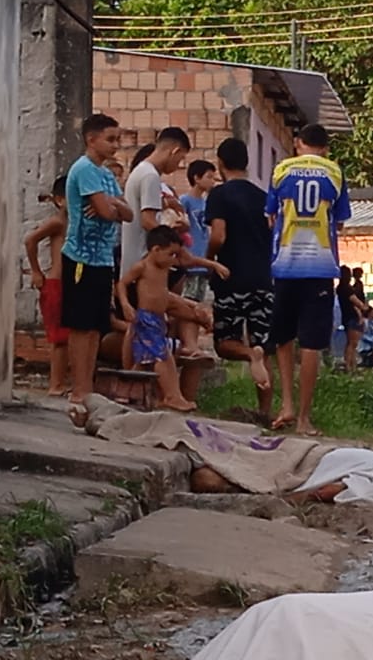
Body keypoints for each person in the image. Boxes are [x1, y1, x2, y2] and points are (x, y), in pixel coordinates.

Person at [267, 123, 352, 434]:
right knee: (312, 344)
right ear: (326, 148)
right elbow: (339, 222)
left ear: (297, 143)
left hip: (285, 264)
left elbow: (272, 215)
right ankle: (304, 418)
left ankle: (286, 403)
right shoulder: (334, 173)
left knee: (284, 337)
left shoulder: (281, 171)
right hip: (320, 267)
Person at [61, 114, 135, 426]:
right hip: (81, 259)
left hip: (103, 259)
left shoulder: (106, 175)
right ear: (92, 139)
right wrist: (111, 207)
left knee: (95, 326)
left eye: (118, 139)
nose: (116, 145)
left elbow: (126, 213)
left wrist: (113, 205)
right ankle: (79, 389)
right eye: (111, 139)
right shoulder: (85, 170)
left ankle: (88, 388)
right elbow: (106, 212)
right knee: (80, 327)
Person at [206, 137, 276, 419]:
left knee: (225, 342)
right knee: (263, 345)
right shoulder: (263, 198)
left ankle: (249, 356)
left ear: (220, 164)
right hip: (263, 278)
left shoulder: (220, 195)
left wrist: (209, 258)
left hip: (232, 277)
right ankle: (265, 412)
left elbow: (218, 236)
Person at [117, 225, 201, 412]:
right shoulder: (142, 267)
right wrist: (125, 305)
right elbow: (121, 284)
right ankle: (173, 396)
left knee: (147, 360)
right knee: (164, 357)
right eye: (171, 254)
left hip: (158, 319)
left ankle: (142, 394)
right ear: (156, 250)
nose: (174, 259)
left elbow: (165, 293)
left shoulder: (164, 268)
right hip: (146, 319)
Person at [121, 127, 191, 277]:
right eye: (180, 159)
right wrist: (177, 246)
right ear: (174, 151)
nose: (178, 165)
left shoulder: (142, 171)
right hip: (142, 263)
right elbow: (148, 222)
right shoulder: (150, 176)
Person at [25, 176, 71, 397]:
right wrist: (36, 271)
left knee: (69, 337)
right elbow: (30, 240)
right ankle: (55, 384)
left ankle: (62, 381)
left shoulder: (74, 223)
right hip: (55, 284)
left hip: (70, 285)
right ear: (61, 200)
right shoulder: (58, 222)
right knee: (59, 339)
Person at [180, 159, 219, 303]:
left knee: (198, 301)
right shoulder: (185, 201)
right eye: (209, 177)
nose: (212, 182)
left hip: (203, 260)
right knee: (187, 301)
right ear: (196, 178)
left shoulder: (205, 202)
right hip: (190, 258)